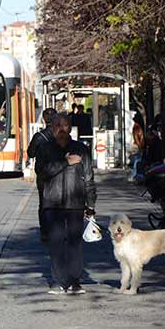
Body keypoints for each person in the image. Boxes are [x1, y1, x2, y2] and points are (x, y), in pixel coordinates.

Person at [35, 114, 96, 295]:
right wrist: (65, 162)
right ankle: (60, 281)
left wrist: (91, 204)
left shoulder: (81, 148)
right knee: (56, 242)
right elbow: (42, 173)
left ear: (70, 128)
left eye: (65, 125)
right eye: (57, 125)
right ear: (52, 128)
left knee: (75, 243)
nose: (61, 129)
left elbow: (89, 178)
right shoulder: (44, 149)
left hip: (75, 202)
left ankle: (75, 280)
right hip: (52, 203)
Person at [27, 107, 57, 243]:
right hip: (60, 174)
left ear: (43, 120)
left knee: (44, 204)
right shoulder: (62, 135)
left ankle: (45, 232)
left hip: (44, 175)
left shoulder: (39, 137)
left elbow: (30, 153)